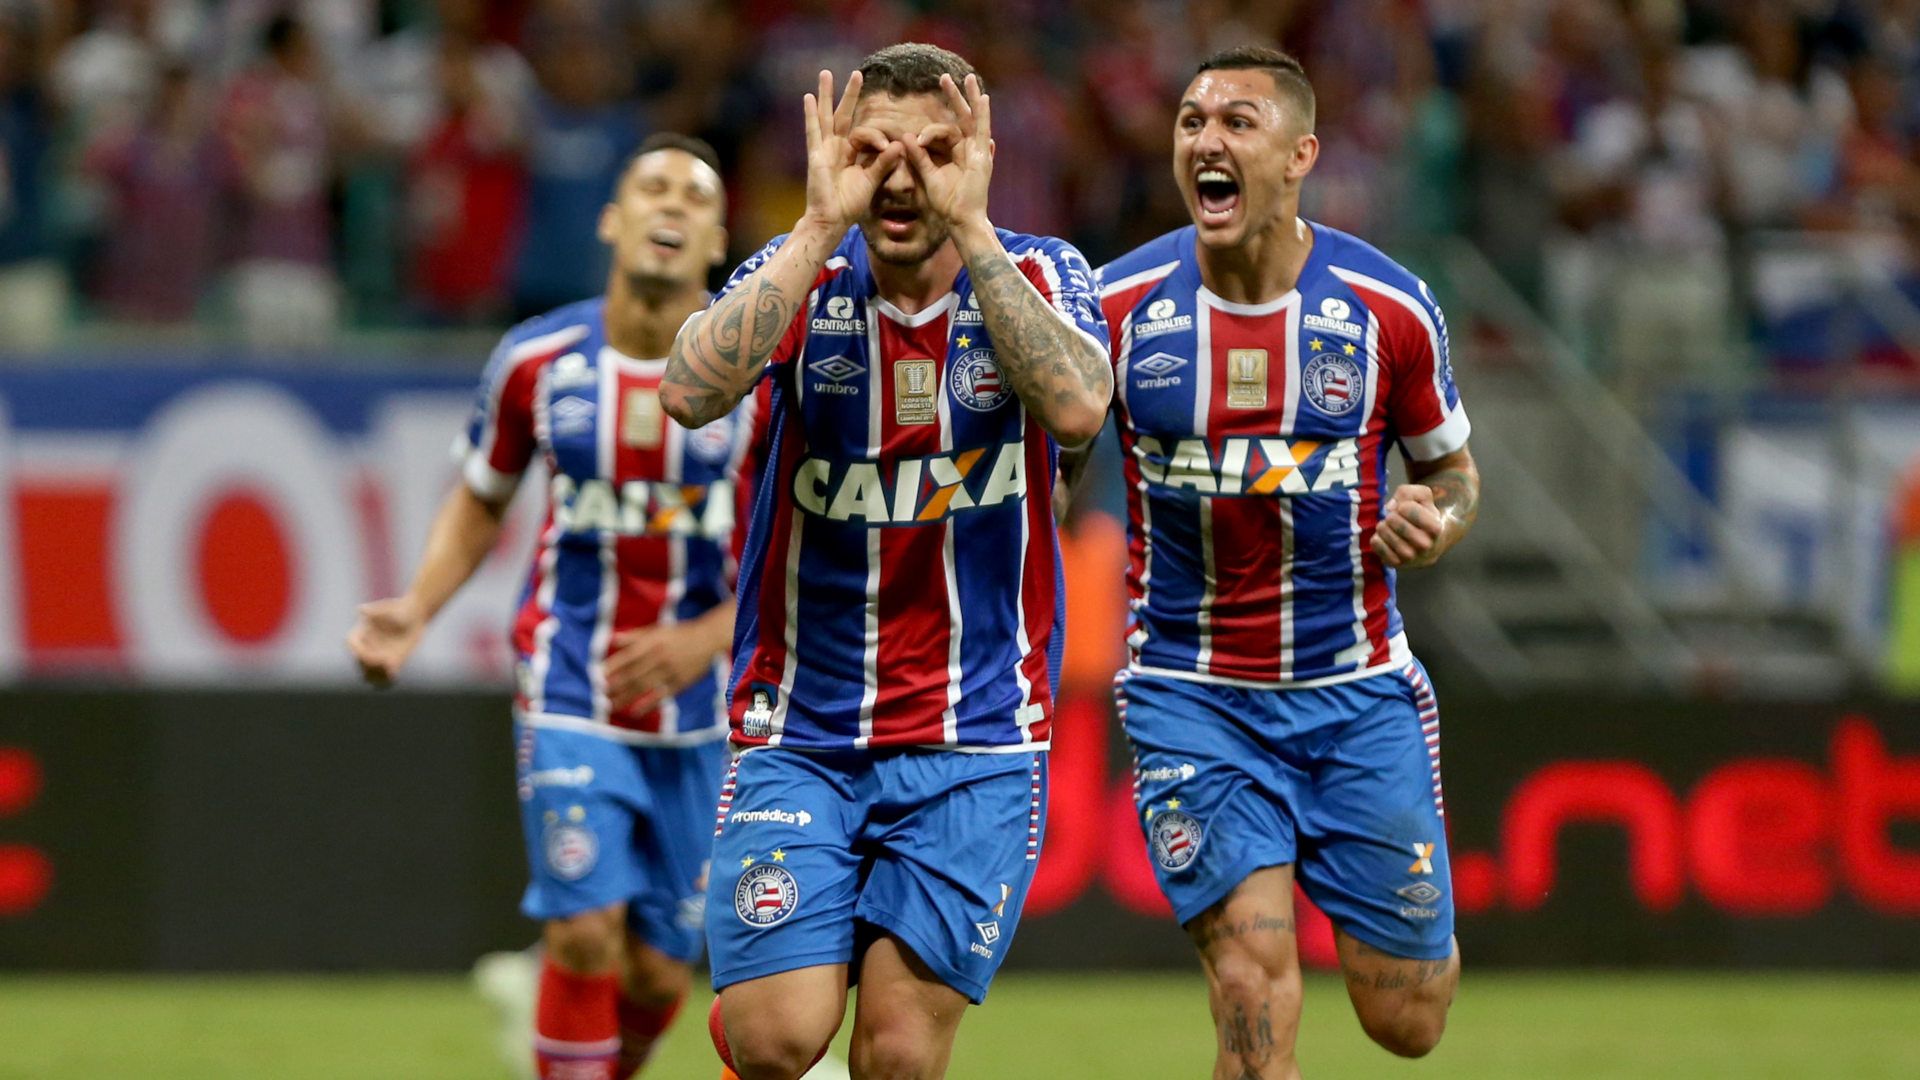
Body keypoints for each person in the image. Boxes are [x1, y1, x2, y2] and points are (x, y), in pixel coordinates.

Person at [661, 43, 1112, 1080]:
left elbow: (1081, 407)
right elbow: (686, 391)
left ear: (980, 156)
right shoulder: (800, 274)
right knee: (777, 1039)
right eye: (873, 152)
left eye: (936, 153)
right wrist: (818, 223)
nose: (903, 178)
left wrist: (976, 230)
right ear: (834, 154)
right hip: (801, 728)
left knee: (899, 1055)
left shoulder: (1044, 272)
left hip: (976, 735)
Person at [1075, 45, 1480, 1077]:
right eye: (1191, 122)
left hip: (1357, 693)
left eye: (1237, 123)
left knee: (1409, 1019)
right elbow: (1049, 474)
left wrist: (1434, 519)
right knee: (1251, 988)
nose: (1206, 140)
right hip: (1192, 696)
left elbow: (1453, 475)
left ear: (1300, 156)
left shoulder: (1388, 307)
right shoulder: (1117, 308)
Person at [347, 133, 755, 1080]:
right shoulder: (538, 360)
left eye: (694, 197)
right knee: (582, 933)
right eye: (651, 187)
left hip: (704, 709)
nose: (671, 204)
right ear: (612, 220)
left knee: (657, 972)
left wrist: (710, 634)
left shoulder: (762, 375)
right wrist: (416, 607)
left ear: (716, 242)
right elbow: (481, 497)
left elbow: (810, 544)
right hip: (570, 680)